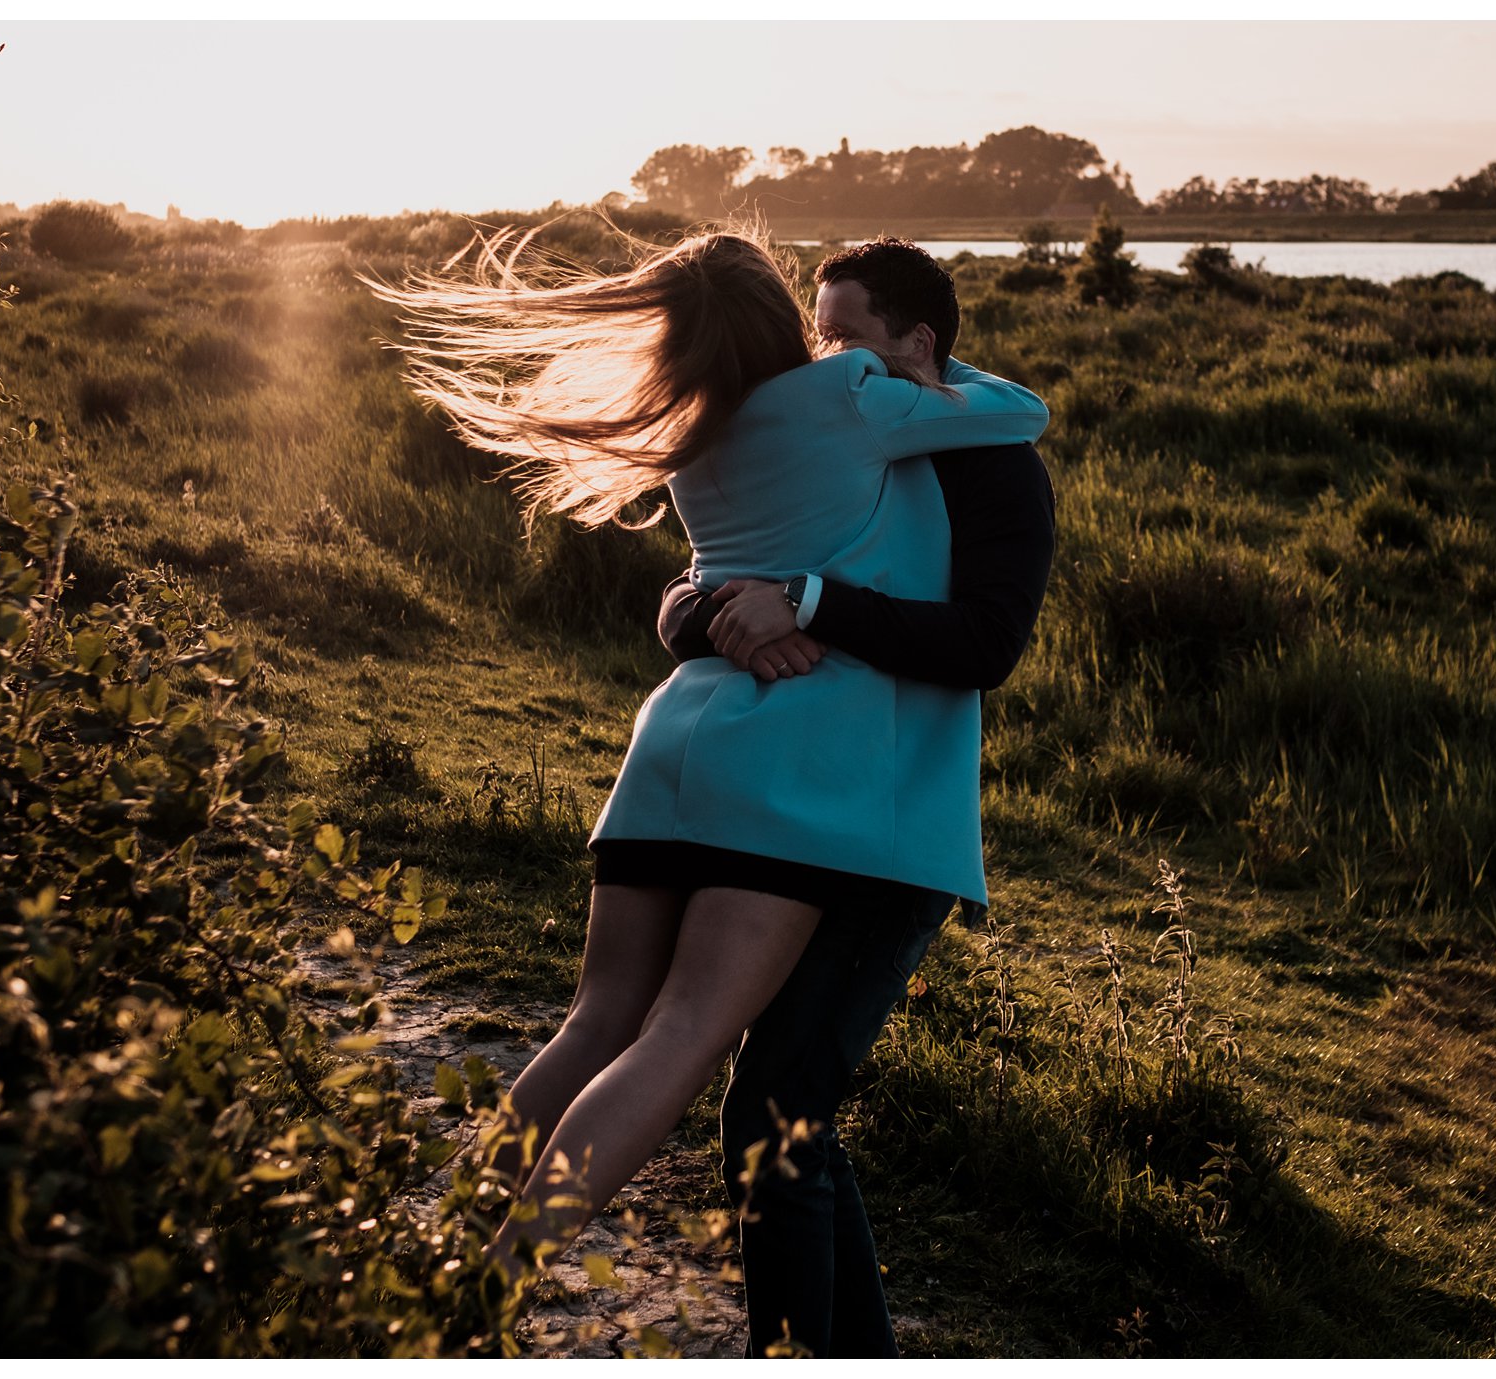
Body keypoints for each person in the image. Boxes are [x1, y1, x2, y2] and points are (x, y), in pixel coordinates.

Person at [372, 226, 1048, 1284]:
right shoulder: (853, 396)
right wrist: (908, 362)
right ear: (780, 317)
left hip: (670, 748)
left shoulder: (696, 437)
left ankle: (437, 1238)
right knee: (681, 1035)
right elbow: (1019, 410)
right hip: (782, 766)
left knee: (596, 1017)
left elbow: (694, 589)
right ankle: (500, 1277)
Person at [655, 238, 1057, 1357]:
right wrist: (722, 613)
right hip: (787, 816)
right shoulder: (832, 425)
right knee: (787, 1116)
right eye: (811, 336)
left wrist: (813, 602)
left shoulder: (990, 459)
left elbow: (987, 642)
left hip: (893, 833)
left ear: (916, 344)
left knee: (771, 1112)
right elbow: (697, 579)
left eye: (838, 338)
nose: (818, 362)